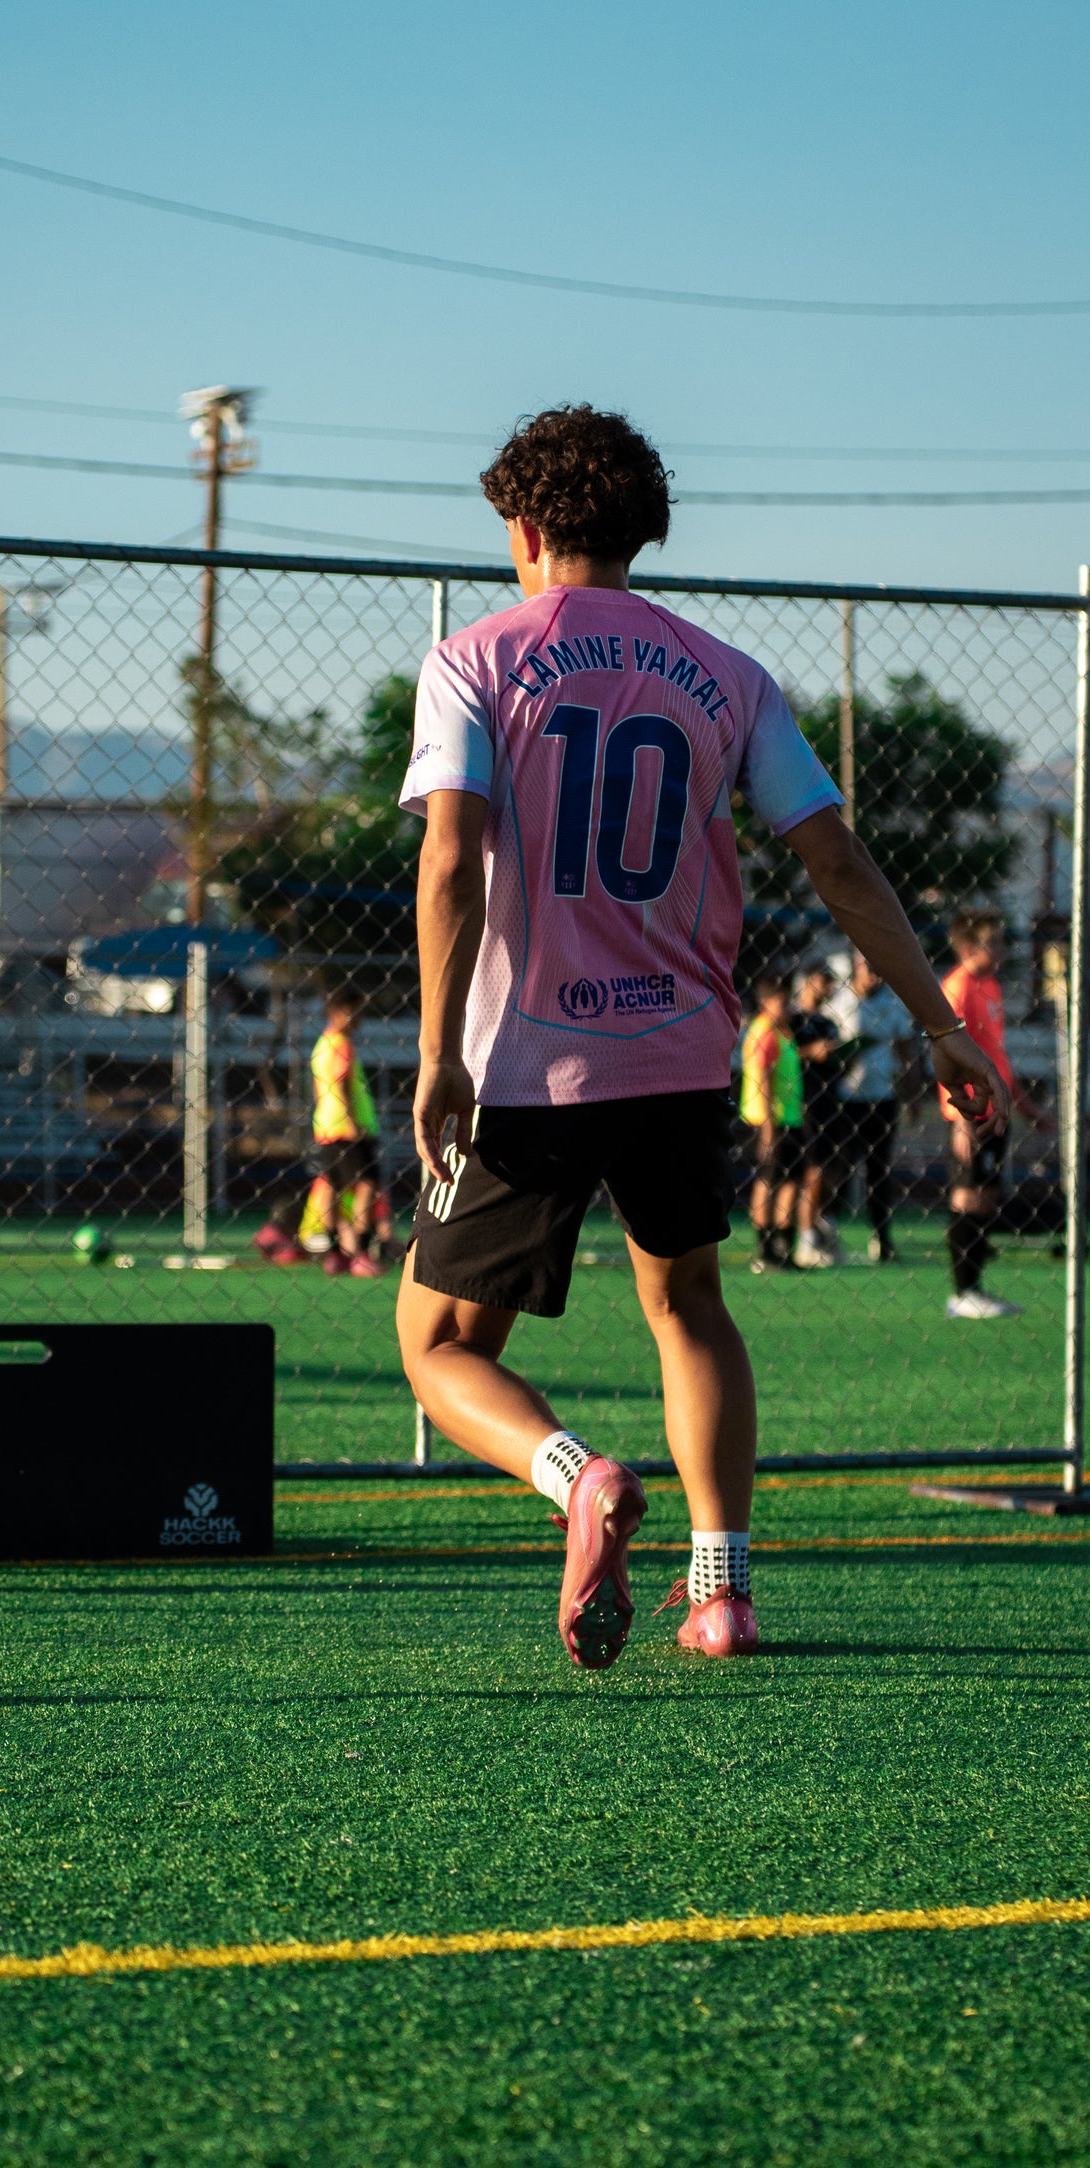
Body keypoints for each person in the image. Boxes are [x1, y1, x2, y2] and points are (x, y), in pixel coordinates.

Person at [394, 403, 1007, 1670]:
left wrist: (439, 1050)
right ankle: (720, 1593)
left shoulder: (473, 660)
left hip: (522, 1062)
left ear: (522, 527)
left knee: (441, 1345)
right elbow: (835, 861)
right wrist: (940, 1024)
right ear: (644, 531)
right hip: (678, 1056)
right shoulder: (727, 674)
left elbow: (450, 858)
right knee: (688, 1309)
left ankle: (575, 1475)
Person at [939, 911, 1050, 1318]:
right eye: (995, 941)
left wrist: (1027, 1107)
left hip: (994, 1110)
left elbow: (996, 1055)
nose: (1002, 948)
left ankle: (975, 1289)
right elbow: (948, 1054)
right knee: (967, 1196)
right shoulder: (956, 988)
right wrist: (961, 1119)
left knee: (986, 1198)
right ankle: (961, 1293)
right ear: (970, 947)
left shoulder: (990, 986)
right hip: (970, 1111)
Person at [823, 952, 915, 1264]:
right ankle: (826, 1233)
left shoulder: (892, 1002)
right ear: (855, 966)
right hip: (847, 1097)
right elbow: (826, 1046)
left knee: (879, 1170)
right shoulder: (839, 1002)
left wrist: (912, 1092)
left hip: (882, 1098)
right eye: (867, 967)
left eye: (877, 968)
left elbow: (905, 1049)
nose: (873, 975)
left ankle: (881, 1238)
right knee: (841, 1167)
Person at [309, 990, 385, 1278]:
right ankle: (362, 1254)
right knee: (366, 1185)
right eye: (356, 1011)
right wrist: (352, 1122)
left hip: (326, 1126)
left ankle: (335, 1255)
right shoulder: (342, 1044)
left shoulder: (321, 1044)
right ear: (339, 1012)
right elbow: (340, 1083)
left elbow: (320, 1090)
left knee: (333, 1186)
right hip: (349, 1129)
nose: (359, 1018)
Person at [740, 975, 808, 1274]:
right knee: (767, 1181)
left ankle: (783, 1247)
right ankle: (765, 1249)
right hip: (769, 1121)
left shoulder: (782, 1031)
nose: (786, 1006)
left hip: (789, 1118)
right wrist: (768, 1129)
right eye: (781, 1001)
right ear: (765, 1002)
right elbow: (763, 1082)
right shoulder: (765, 1032)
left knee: (790, 1181)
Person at [788, 963, 842, 1267]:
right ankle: (805, 1239)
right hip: (801, 1103)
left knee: (831, 1170)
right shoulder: (792, 1019)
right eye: (824, 981)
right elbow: (783, 1055)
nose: (829, 989)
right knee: (811, 1171)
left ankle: (822, 1233)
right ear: (808, 982)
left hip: (829, 1102)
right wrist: (812, 1052)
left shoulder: (828, 1022)